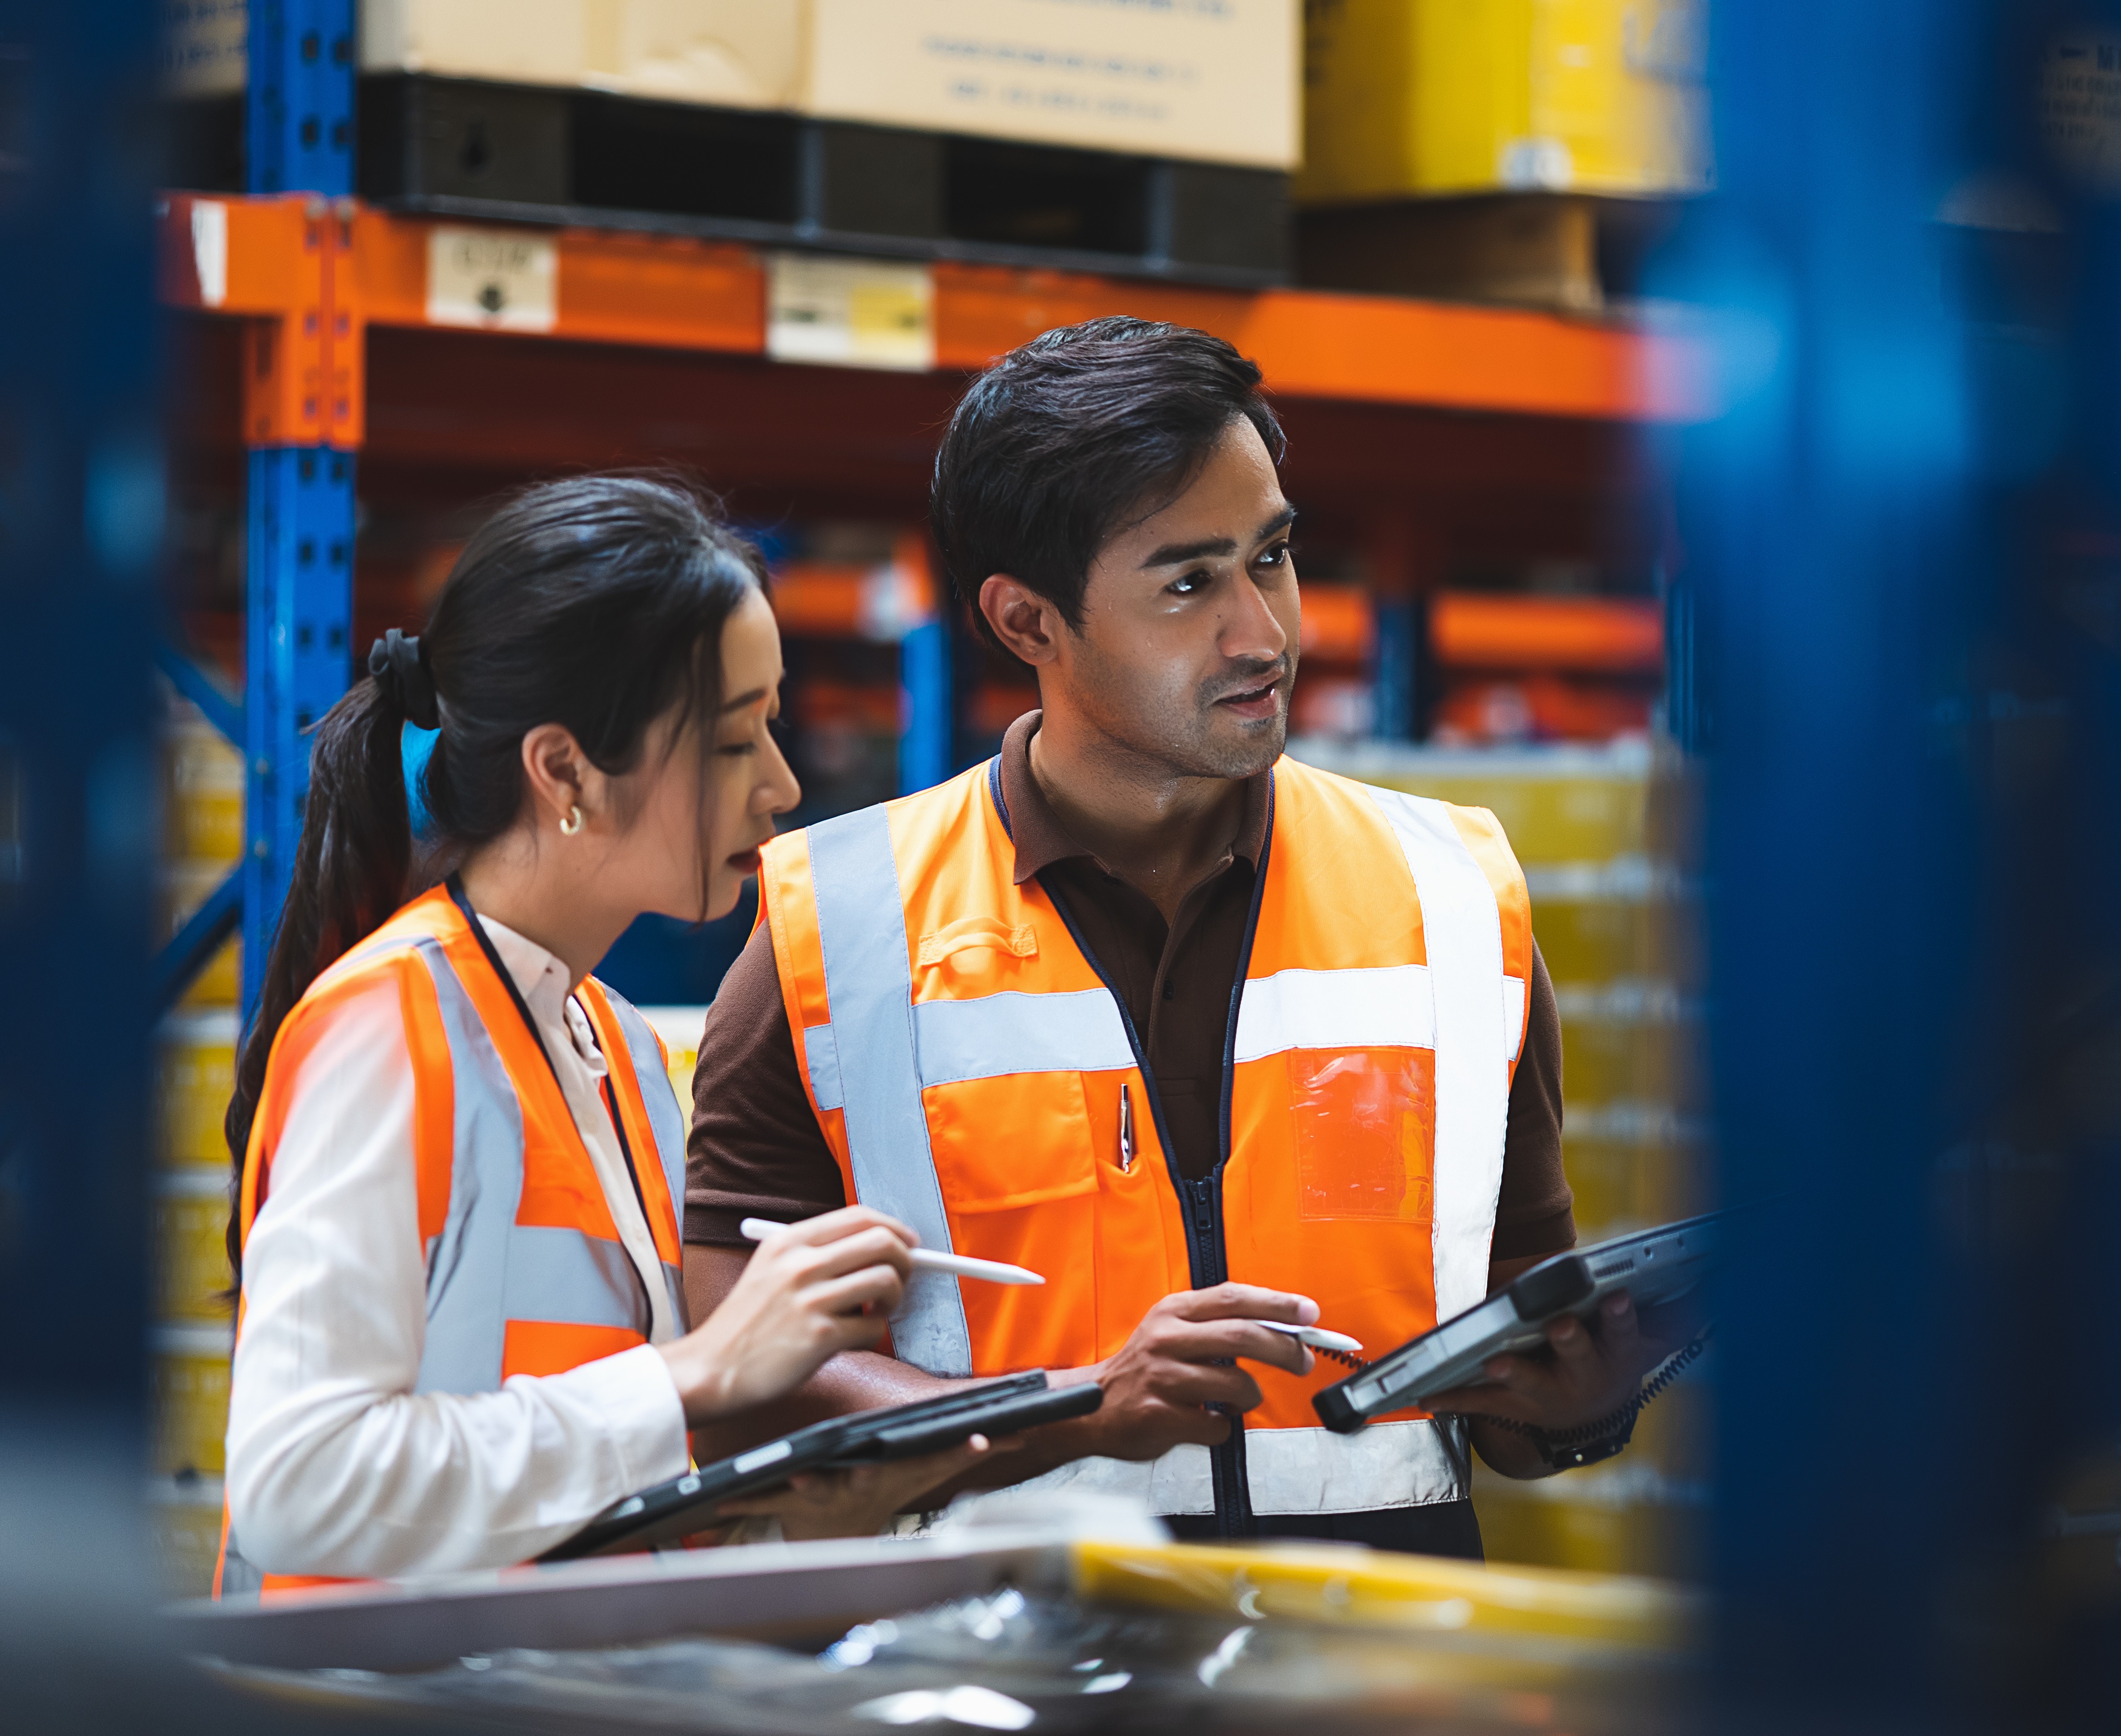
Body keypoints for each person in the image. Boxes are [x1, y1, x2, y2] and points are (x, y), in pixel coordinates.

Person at [682, 318, 1677, 1560]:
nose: (1263, 632)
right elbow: (731, 1360)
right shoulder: (839, 927)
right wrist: (1077, 1413)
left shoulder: (1455, 899)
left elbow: (1521, 1322)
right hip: (1002, 1660)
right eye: (1189, 583)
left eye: (1275, 556)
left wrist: (1579, 1407)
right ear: (1028, 622)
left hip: (1368, 1669)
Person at [218, 476, 1004, 1592]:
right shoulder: (387, 1030)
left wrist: (816, 1518)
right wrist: (693, 1375)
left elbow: (578, 1500)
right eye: (735, 742)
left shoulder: (613, 1044)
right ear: (563, 771)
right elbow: (302, 1492)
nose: (782, 785)